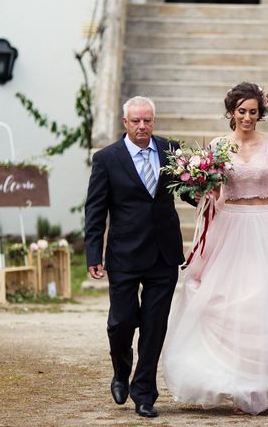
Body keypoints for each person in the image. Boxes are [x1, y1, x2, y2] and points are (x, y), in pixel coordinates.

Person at [162, 82, 268, 415]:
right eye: (242, 111)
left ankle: (256, 386)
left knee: (262, 300)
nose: (247, 117)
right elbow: (213, 189)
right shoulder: (218, 146)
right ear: (232, 112)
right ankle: (229, 379)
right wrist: (203, 193)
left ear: (261, 113)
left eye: (253, 112)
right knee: (225, 301)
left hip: (263, 225)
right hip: (229, 226)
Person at [84, 96, 194, 419]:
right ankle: (121, 370)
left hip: (164, 252)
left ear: (154, 122)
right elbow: (95, 210)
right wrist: (93, 251)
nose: (142, 126)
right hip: (124, 254)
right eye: (136, 121)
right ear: (125, 123)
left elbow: (186, 188)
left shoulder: (170, 150)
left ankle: (144, 391)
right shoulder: (106, 159)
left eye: (147, 121)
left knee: (154, 325)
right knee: (121, 322)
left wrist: (207, 188)